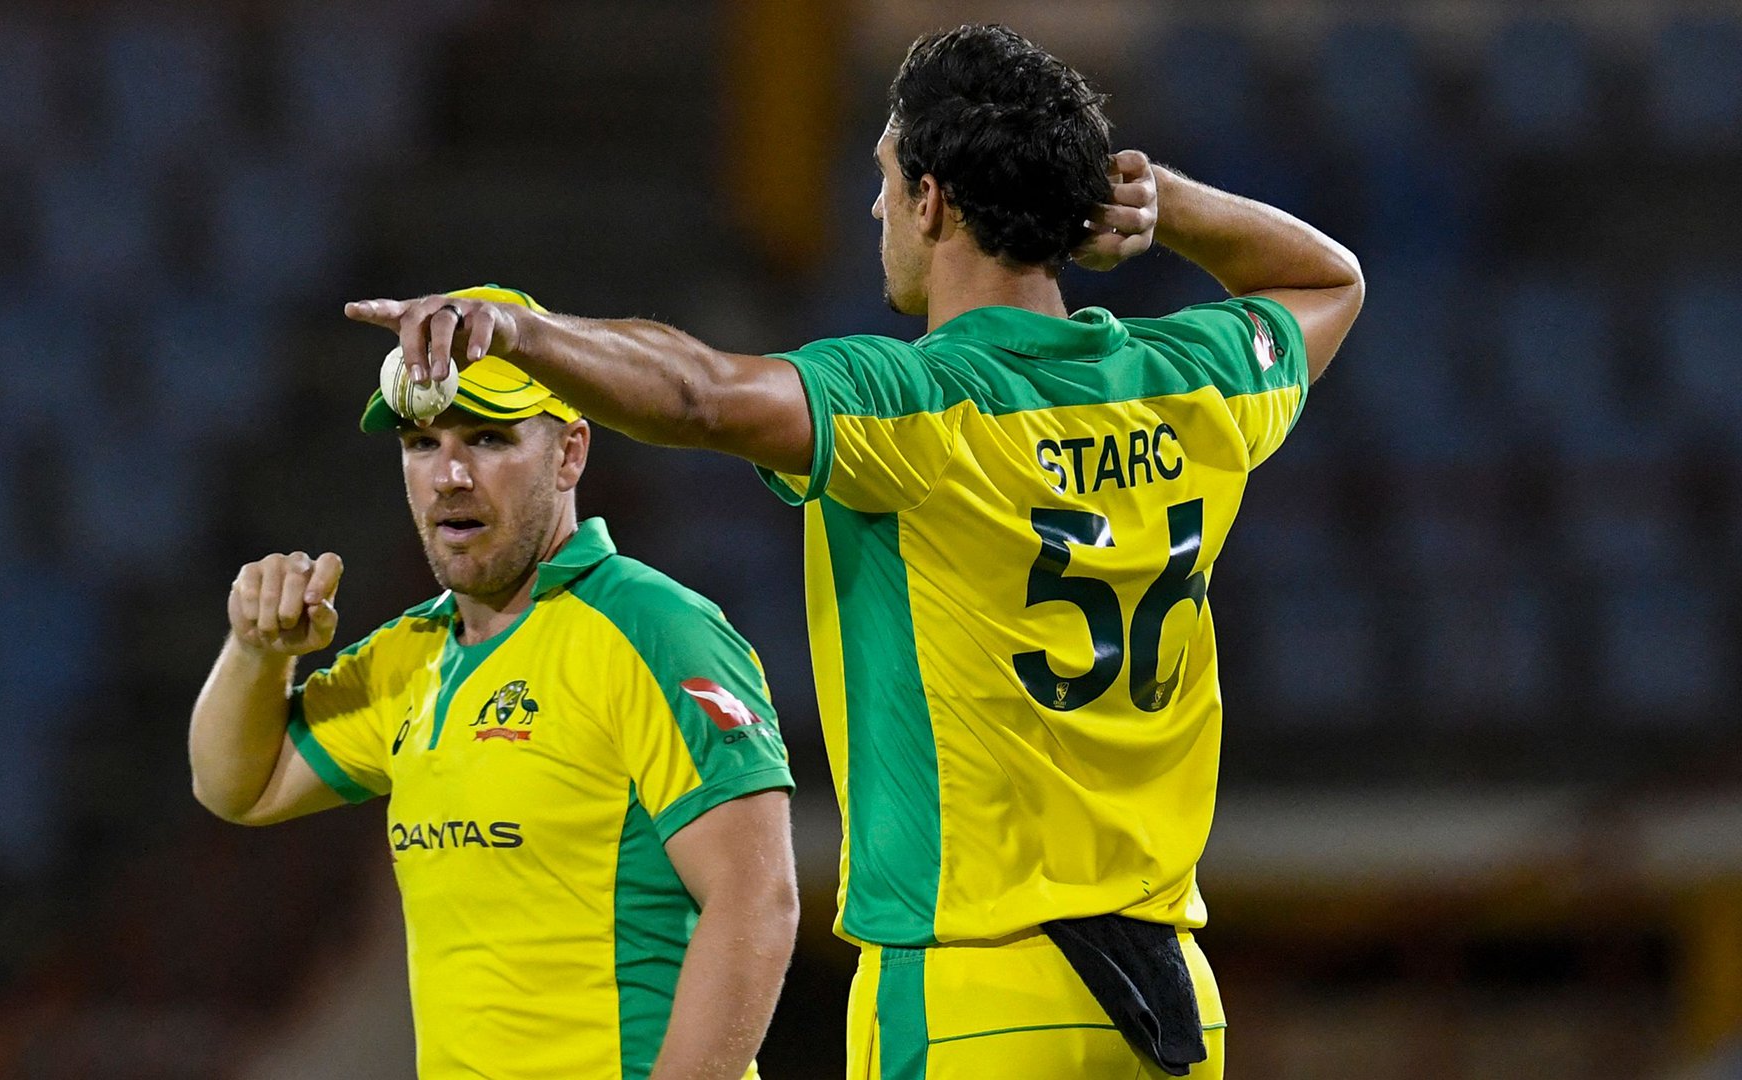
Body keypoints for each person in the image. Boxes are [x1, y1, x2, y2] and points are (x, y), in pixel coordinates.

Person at [348, 24, 1363, 1080]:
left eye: (884, 176)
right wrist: (1167, 203)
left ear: (932, 199)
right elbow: (1329, 281)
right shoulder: (1188, 378)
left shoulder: (916, 403)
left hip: (970, 994)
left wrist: (523, 334)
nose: (875, 207)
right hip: (1168, 1007)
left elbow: (697, 390)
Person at [189, 287, 799, 1080]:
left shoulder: (653, 628)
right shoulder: (413, 654)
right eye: (420, 442)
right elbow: (239, 784)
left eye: (486, 438)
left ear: (571, 452)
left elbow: (757, 902)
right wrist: (256, 650)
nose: (449, 475)